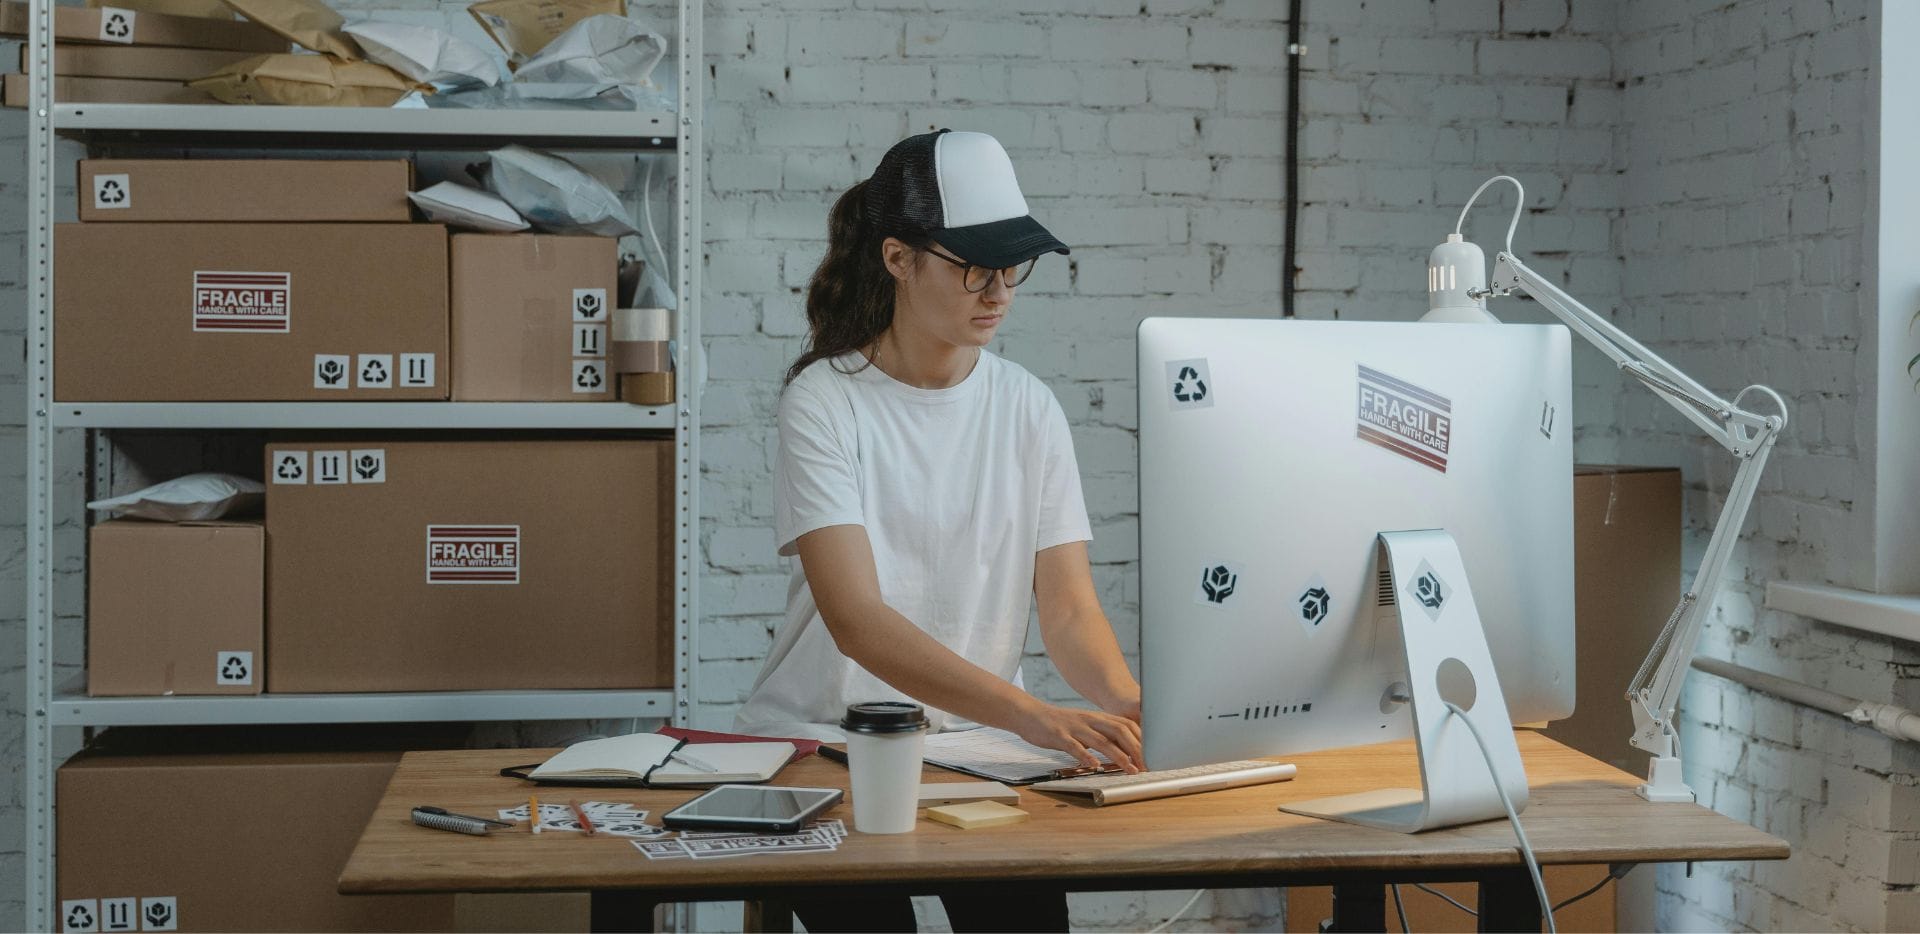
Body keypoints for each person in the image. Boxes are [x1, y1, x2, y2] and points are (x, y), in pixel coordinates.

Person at [734, 129, 1145, 933]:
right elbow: (858, 622)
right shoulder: (825, 401)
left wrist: (1138, 707)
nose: (998, 292)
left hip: (980, 747)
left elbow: (1067, 609)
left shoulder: (1027, 404)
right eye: (973, 268)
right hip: (827, 744)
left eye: (1011, 268)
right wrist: (1033, 716)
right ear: (898, 257)